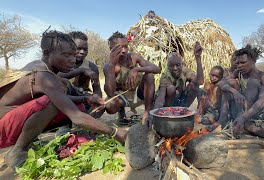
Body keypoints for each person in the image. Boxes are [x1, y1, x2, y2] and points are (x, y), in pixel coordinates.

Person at [0, 30, 126, 168]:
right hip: (3, 130)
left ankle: (28, 143)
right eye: (66, 55)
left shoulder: (46, 70)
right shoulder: (43, 75)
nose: (72, 59)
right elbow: (76, 117)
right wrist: (114, 132)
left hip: (12, 123)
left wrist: (85, 98)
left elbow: (64, 99)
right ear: (47, 53)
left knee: (70, 103)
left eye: (73, 54)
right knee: (54, 104)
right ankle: (17, 151)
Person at [103, 31, 161, 125]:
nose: (124, 50)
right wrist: (112, 64)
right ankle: (121, 114)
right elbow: (110, 92)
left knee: (149, 76)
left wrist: (137, 69)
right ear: (111, 49)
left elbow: (157, 69)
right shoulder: (108, 66)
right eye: (119, 47)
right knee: (110, 105)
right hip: (122, 97)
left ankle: (147, 112)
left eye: (126, 46)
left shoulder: (134, 57)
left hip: (138, 94)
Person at [218, 45, 264, 134]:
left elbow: (262, 101)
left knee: (252, 83)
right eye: (237, 63)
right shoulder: (239, 73)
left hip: (258, 112)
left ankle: (240, 122)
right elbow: (221, 82)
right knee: (227, 88)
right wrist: (235, 92)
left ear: (254, 61)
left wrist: (243, 117)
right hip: (243, 109)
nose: (239, 66)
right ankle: (222, 120)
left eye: (243, 62)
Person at [58, 31, 104, 118]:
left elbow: (97, 89)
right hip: (64, 101)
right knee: (65, 84)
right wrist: (82, 70)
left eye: (85, 49)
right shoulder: (61, 63)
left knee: (101, 108)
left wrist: (98, 101)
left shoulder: (92, 67)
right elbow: (57, 77)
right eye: (78, 48)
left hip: (84, 100)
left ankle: (85, 120)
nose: (82, 52)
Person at [154, 42, 204, 109]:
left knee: (194, 85)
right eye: (172, 66)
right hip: (167, 103)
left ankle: (183, 110)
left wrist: (198, 58)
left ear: (182, 64)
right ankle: (170, 111)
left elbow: (200, 81)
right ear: (168, 66)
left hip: (180, 101)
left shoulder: (185, 70)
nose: (175, 68)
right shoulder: (165, 76)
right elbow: (161, 99)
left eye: (177, 65)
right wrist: (155, 114)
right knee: (171, 89)